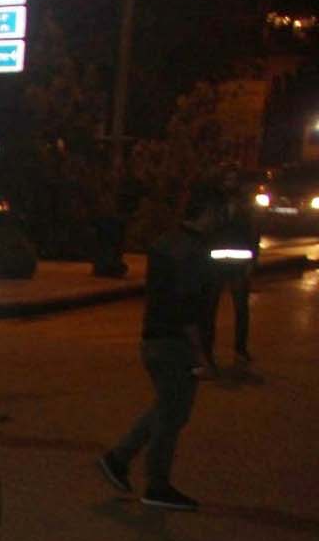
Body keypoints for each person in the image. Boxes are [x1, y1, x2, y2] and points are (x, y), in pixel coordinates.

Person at [98, 181, 222, 511]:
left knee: (167, 408)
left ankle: (119, 459)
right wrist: (200, 353)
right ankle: (156, 484)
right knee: (172, 415)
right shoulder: (193, 251)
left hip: (154, 338)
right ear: (207, 214)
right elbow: (188, 305)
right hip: (175, 344)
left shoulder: (167, 243)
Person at [201, 166, 257, 366]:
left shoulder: (245, 205)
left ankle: (240, 348)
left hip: (238, 264)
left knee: (241, 309)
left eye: (233, 180)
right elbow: (206, 231)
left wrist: (252, 261)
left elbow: (253, 232)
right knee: (209, 309)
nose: (230, 184)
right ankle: (206, 350)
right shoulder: (214, 204)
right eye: (227, 180)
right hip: (216, 263)